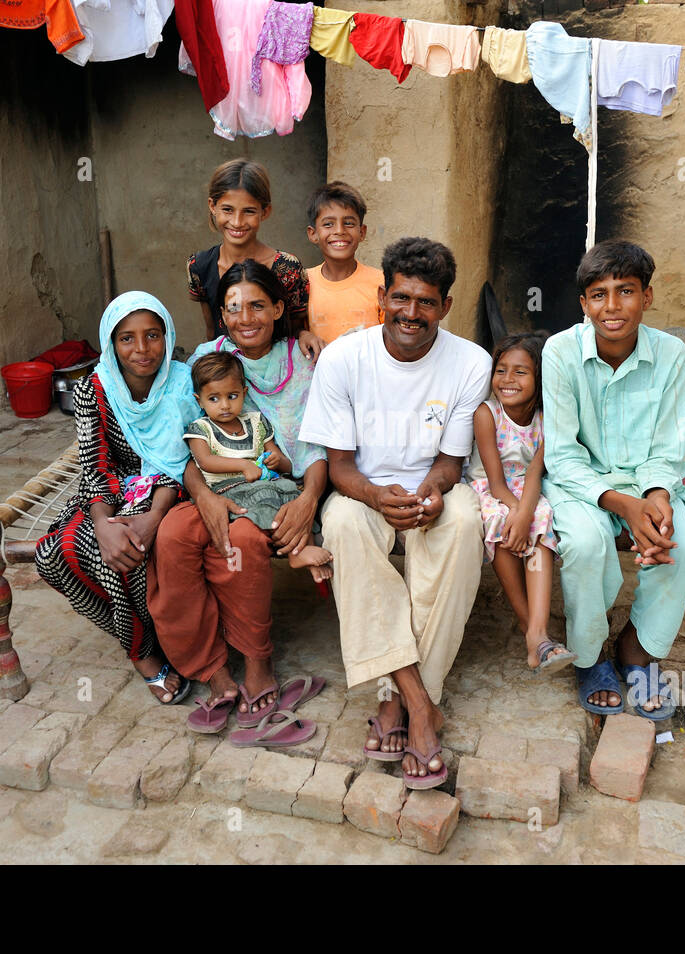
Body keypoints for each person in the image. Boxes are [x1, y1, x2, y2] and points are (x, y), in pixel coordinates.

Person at [299, 236, 490, 789]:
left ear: (445, 307)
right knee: (339, 523)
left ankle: (400, 699)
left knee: (463, 523)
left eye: (426, 302)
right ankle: (416, 703)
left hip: (431, 488)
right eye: (401, 298)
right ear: (383, 295)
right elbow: (339, 468)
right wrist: (376, 495)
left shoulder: (470, 362)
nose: (411, 313)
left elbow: (452, 463)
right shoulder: (343, 358)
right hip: (365, 491)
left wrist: (431, 494)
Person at [149, 259, 329, 739]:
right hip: (214, 485)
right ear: (221, 313)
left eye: (257, 305)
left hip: (279, 486)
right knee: (170, 536)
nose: (245, 317)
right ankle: (211, 668)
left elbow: (316, 445)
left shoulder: (306, 360)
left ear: (277, 308)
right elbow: (183, 444)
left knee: (244, 540)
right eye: (233, 307)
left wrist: (309, 499)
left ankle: (256, 661)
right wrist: (204, 495)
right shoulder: (207, 359)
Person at [541, 240, 685, 720]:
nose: (612, 307)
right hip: (580, 482)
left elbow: (667, 445)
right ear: (583, 305)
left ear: (648, 297)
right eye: (598, 295)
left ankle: (636, 651)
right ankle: (591, 655)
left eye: (626, 292)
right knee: (586, 543)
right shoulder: (560, 351)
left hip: (646, 480)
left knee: (682, 544)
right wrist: (622, 505)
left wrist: (656, 496)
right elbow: (561, 451)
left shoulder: (672, 353)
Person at [35, 291, 199, 705]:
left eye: (152, 335)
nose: (141, 350)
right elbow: (96, 464)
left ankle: (146, 655)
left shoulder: (184, 383)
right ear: (111, 342)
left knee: (131, 552)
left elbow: (183, 459)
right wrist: (102, 524)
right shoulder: (94, 388)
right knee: (56, 553)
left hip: (170, 489)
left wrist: (149, 518)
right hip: (111, 490)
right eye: (126, 338)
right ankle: (143, 642)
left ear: (168, 335)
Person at [469, 332, 575, 674]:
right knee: (500, 521)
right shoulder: (487, 414)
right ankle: (537, 637)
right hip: (490, 488)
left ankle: (538, 634)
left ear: (539, 378)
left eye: (520, 372)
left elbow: (534, 473)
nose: (508, 380)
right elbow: (495, 482)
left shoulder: (548, 418)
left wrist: (525, 511)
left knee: (540, 517)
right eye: (501, 370)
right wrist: (515, 511)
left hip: (529, 489)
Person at [186, 350, 333, 582]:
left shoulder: (255, 421)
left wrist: (277, 460)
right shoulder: (200, 428)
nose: (224, 405)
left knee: (296, 499)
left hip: (266, 483)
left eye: (232, 396)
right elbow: (205, 461)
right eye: (214, 399)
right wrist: (243, 465)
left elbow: (276, 454)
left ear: (244, 393)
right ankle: (296, 553)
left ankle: (304, 548)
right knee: (266, 501)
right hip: (229, 490)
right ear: (199, 400)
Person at [187, 158, 321, 361]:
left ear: (265, 211)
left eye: (248, 211)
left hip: (282, 373)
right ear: (212, 206)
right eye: (227, 210)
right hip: (229, 376)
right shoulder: (199, 266)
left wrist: (303, 334)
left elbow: (297, 328)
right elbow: (213, 330)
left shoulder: (287, 268)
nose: (237, 222)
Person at [304, 180, 386, 343]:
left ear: (362, 232)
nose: (340, 231)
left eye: (348, 223)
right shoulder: (303, 282)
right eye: (328, 224)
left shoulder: (382, 282)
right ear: (313, 234)